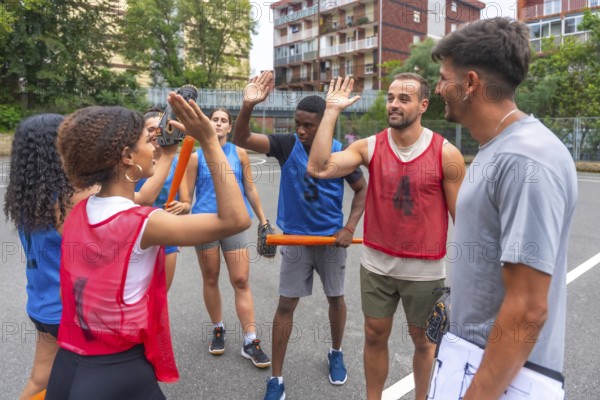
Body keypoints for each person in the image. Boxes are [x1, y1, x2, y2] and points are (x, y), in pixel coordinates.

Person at [45, 94, 251, 399]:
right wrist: (208, 141)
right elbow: (236, 219)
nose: (154, 145)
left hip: (69, 364)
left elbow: (130, 199)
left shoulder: (77, 210)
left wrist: (166, 155)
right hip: (118, 370)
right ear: (127, 156)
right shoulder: (145, 223)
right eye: (147, 140)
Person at [429, 17, 577, 399]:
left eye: (445, 77)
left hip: (501, 382)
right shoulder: (498, 148)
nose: (438, 87)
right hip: (469, 364)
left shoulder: (525, 158)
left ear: (471, 83)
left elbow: (527, 308)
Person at [307, 75, 465, 399]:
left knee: (424, 342)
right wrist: (331, 111)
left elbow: (462, 221)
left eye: (404, 99)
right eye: (391, 97)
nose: (394, 104)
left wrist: (464, 283)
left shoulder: (446, 154)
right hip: (377, 264)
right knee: (374, 335)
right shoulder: (370, 146)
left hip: (425, 270)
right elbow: (319, 168)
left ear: (423, 106)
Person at [233, 71, 368, 400]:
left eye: (309, 125)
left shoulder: (340, 154)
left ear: (325, 123)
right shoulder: (287, 145)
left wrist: (349, 228)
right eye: (298, 124)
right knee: (285, 306)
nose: (302, 131)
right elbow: (241, 138)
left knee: (336, 299)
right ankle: (276, 378)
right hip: (295, 240)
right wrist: (248, 105)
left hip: (330, 241)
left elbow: (362, 191)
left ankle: (335, 351)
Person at [3, 114, 97, 400]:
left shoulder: (27, 198)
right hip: (70, 310)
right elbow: (133, 198)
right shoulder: (71, 198)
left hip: (42, 305)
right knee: (91, 381)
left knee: (40, 378)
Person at [182, 107, 271, 368]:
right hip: (205, 224)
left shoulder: (239, 153)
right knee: (210, 277)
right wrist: (183, 208)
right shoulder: (196, 158)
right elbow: (187, 197)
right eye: (215, 120)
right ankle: (218, 328)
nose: (219, 124)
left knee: (241, 279)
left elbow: (251, 189)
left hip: (233, 224)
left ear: (230, 128)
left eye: (223, 121)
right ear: (208, 124)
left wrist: (264, 220)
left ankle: (250, 340)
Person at [135, 109, 189, 290]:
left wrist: (181, 206)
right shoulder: (132, 162)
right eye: (150, 129)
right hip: (135, 234)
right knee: (137, 294)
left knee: (160, 294)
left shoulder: (176, 163)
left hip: (166, 234)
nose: (156, 133)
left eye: (160, 128)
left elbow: (187, 204)